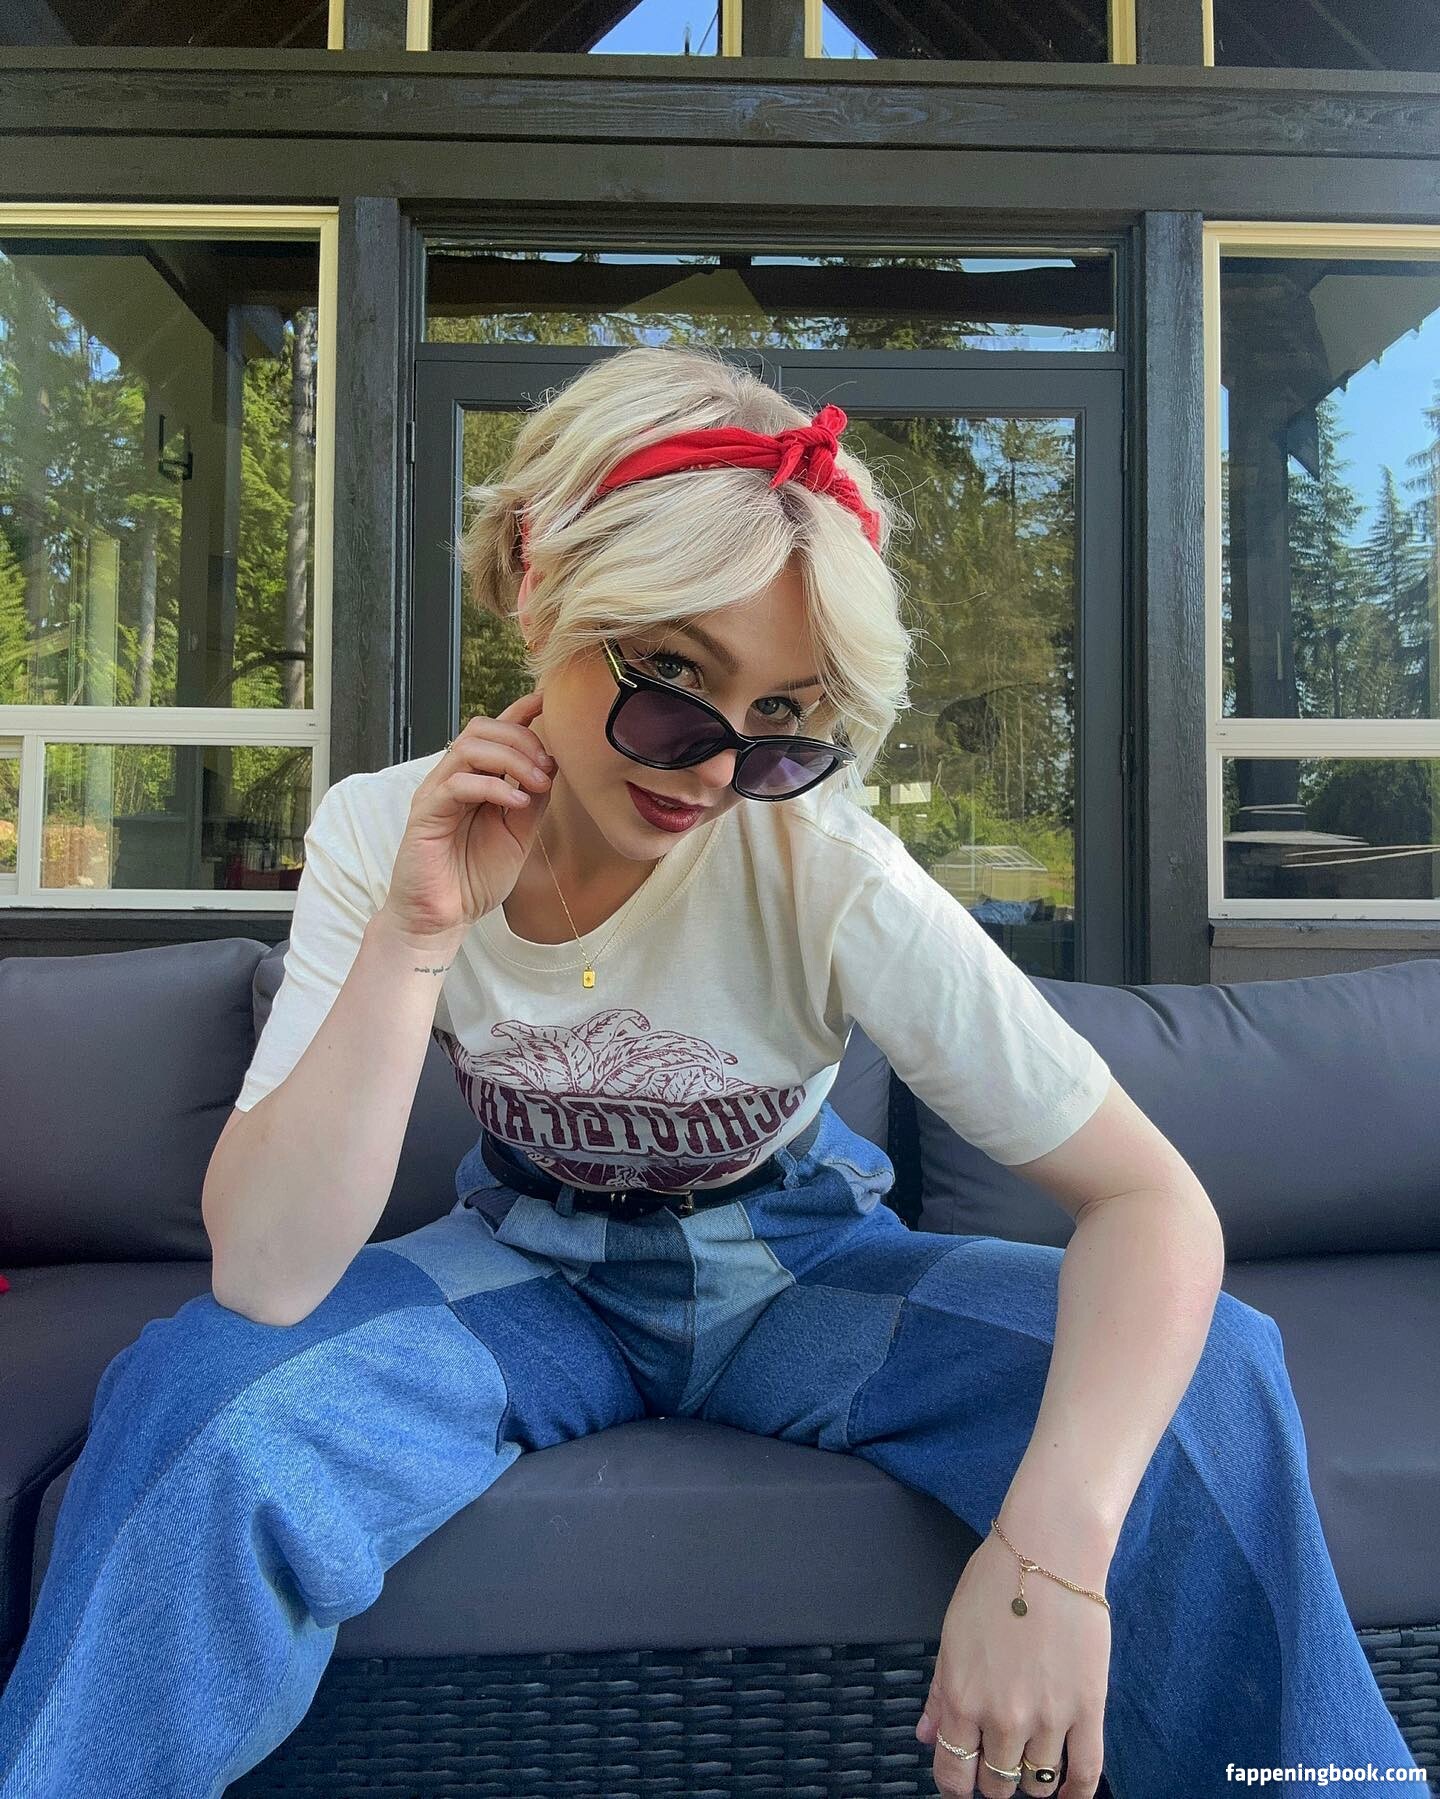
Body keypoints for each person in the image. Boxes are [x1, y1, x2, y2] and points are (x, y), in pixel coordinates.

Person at [0, 345, 1422, 1799]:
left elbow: (1152, 1206)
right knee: (203, 1400)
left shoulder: (827, 864)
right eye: (672, 679)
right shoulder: (383, 833)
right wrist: (419, 935)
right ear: (538, 581)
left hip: (798, 1274)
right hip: (525, 1268)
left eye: (782, 723)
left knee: (1208, 1373)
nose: (710, 768)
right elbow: (264, 1275)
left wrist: (1049, 1563)